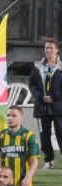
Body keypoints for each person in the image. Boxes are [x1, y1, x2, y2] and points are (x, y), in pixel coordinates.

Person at [28, 38, 62, 169]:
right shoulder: (37, 66)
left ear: (57, 50)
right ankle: (49, 160)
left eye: (51, 48)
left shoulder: (60, 67)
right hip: (42, 107)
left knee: (61, 134)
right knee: (44, 136)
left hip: (58, 107)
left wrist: (54, 97)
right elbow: (31, 84)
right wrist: (40, 97)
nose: (48, 50)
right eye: (47, 48)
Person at [0, 106, 40, 186]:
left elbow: (34, 160)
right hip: (4, 184)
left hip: (23, 183)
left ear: (21, 118)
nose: (10, 118)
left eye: (14, 116)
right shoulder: (1, 135)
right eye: (8, 115)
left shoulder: (29, 136)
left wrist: (28, 178)